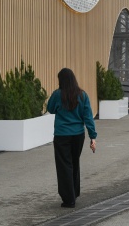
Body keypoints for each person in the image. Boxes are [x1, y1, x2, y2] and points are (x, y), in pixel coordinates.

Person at [46, 68, 97, 208]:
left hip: (62, 135)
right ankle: (74, 193)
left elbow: (50, 108)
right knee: (74, 163)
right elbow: (88, 117)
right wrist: (93, 137)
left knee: (64, 166)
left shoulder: (57, 94)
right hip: (78, 135)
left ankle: (68, 199)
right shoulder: (82, 95)